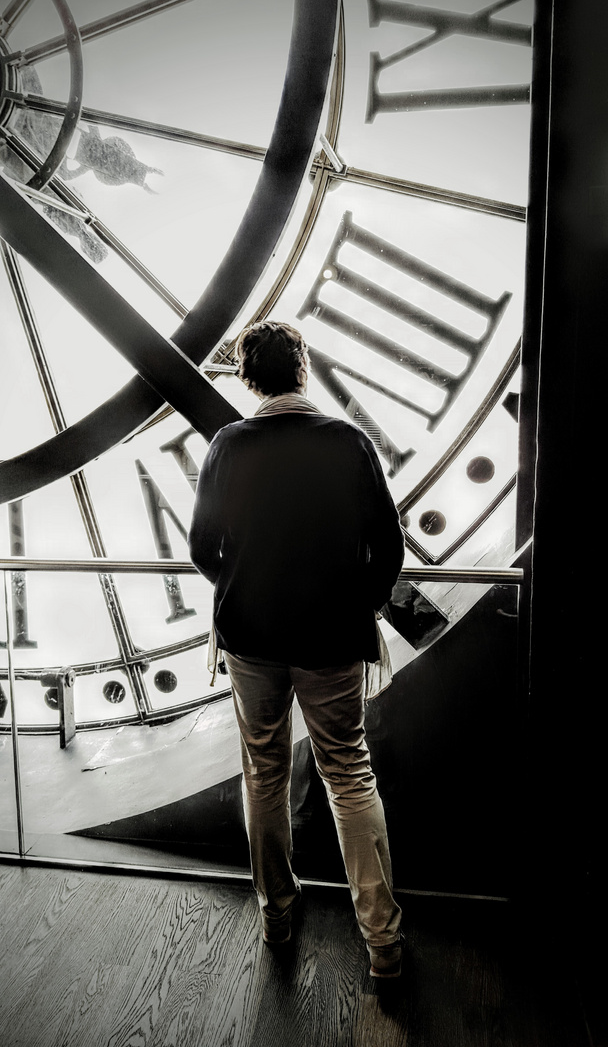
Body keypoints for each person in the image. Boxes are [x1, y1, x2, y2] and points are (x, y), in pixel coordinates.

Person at [188, 320, 404, 977]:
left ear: (250, 379)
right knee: (348, 774)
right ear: (303, 369)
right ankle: (382, 940)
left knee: (264, 774)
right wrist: (350, 598)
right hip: (332, 634)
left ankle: (276, 913)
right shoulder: (348, 442)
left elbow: (205, 549)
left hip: (251, 634)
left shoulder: (229, 445)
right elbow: (387, 549)